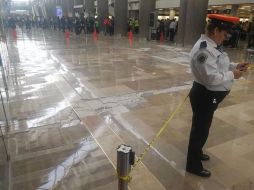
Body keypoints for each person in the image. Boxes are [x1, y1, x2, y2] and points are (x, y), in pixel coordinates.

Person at [186, 14, 250, 178]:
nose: (226, 36)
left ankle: (197, 152)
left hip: (208, 95)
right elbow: (210, 78)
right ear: (215, 30)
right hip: (205, 95)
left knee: (203, 127)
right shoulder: (204, 50)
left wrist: (235, 66)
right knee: (199, 130)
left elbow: (219, 65)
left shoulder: (212, 46)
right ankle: (193, 165)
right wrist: (232, 75)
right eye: (224, 33)